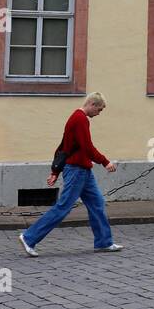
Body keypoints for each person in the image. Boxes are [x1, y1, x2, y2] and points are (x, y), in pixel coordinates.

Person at [19, 92, 123, 256]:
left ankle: (104, 242)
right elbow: (87, 147)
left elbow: (63, 147)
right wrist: (105, 162)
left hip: (83, 170)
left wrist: (55, 171)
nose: (99, 114)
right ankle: (29, 237)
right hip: (76, 170)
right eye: (100, 110)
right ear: (92, 105)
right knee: (63, 207)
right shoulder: (80, 119)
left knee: (97, 204)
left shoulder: (76, 117)